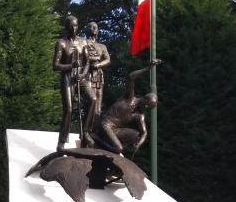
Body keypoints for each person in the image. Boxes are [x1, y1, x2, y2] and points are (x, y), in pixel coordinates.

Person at [91, 60, 161, 155]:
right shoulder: (129, 98)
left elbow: (144, 133)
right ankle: (95, 138)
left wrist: (138, 144)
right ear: (145, 99)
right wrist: (148, 68)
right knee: (119, 149)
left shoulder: (140, 115)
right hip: (106, 124)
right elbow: (131, 77)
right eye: (147, 104)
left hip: (116, 130)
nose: (146, 107)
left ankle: (111, 144)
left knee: (136, 135)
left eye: (149, 107)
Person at [52, 14, 88, 151]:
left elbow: (87, 62)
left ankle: (86, 133)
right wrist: (71, 66)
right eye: (72, 25)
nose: (74, 28)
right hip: (67, 77)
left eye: (76, 25)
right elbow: (55, 65)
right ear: (67, 27)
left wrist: (82, 74)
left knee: (92, 99)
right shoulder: (61, 43)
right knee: (68, 109)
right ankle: (62, 141)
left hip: (80, 76)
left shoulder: (83, 42)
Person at [81, 21, 111, 140]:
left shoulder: (102, 46)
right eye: (90, 27)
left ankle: (94, 132)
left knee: (98, 107)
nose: (93, 28)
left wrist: (98, 65)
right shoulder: (82, 43)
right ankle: (85, 132)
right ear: (86, 30)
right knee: (89, 104)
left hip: (98, 76)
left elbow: (108, 60)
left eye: (95, 27)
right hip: (87, 75)